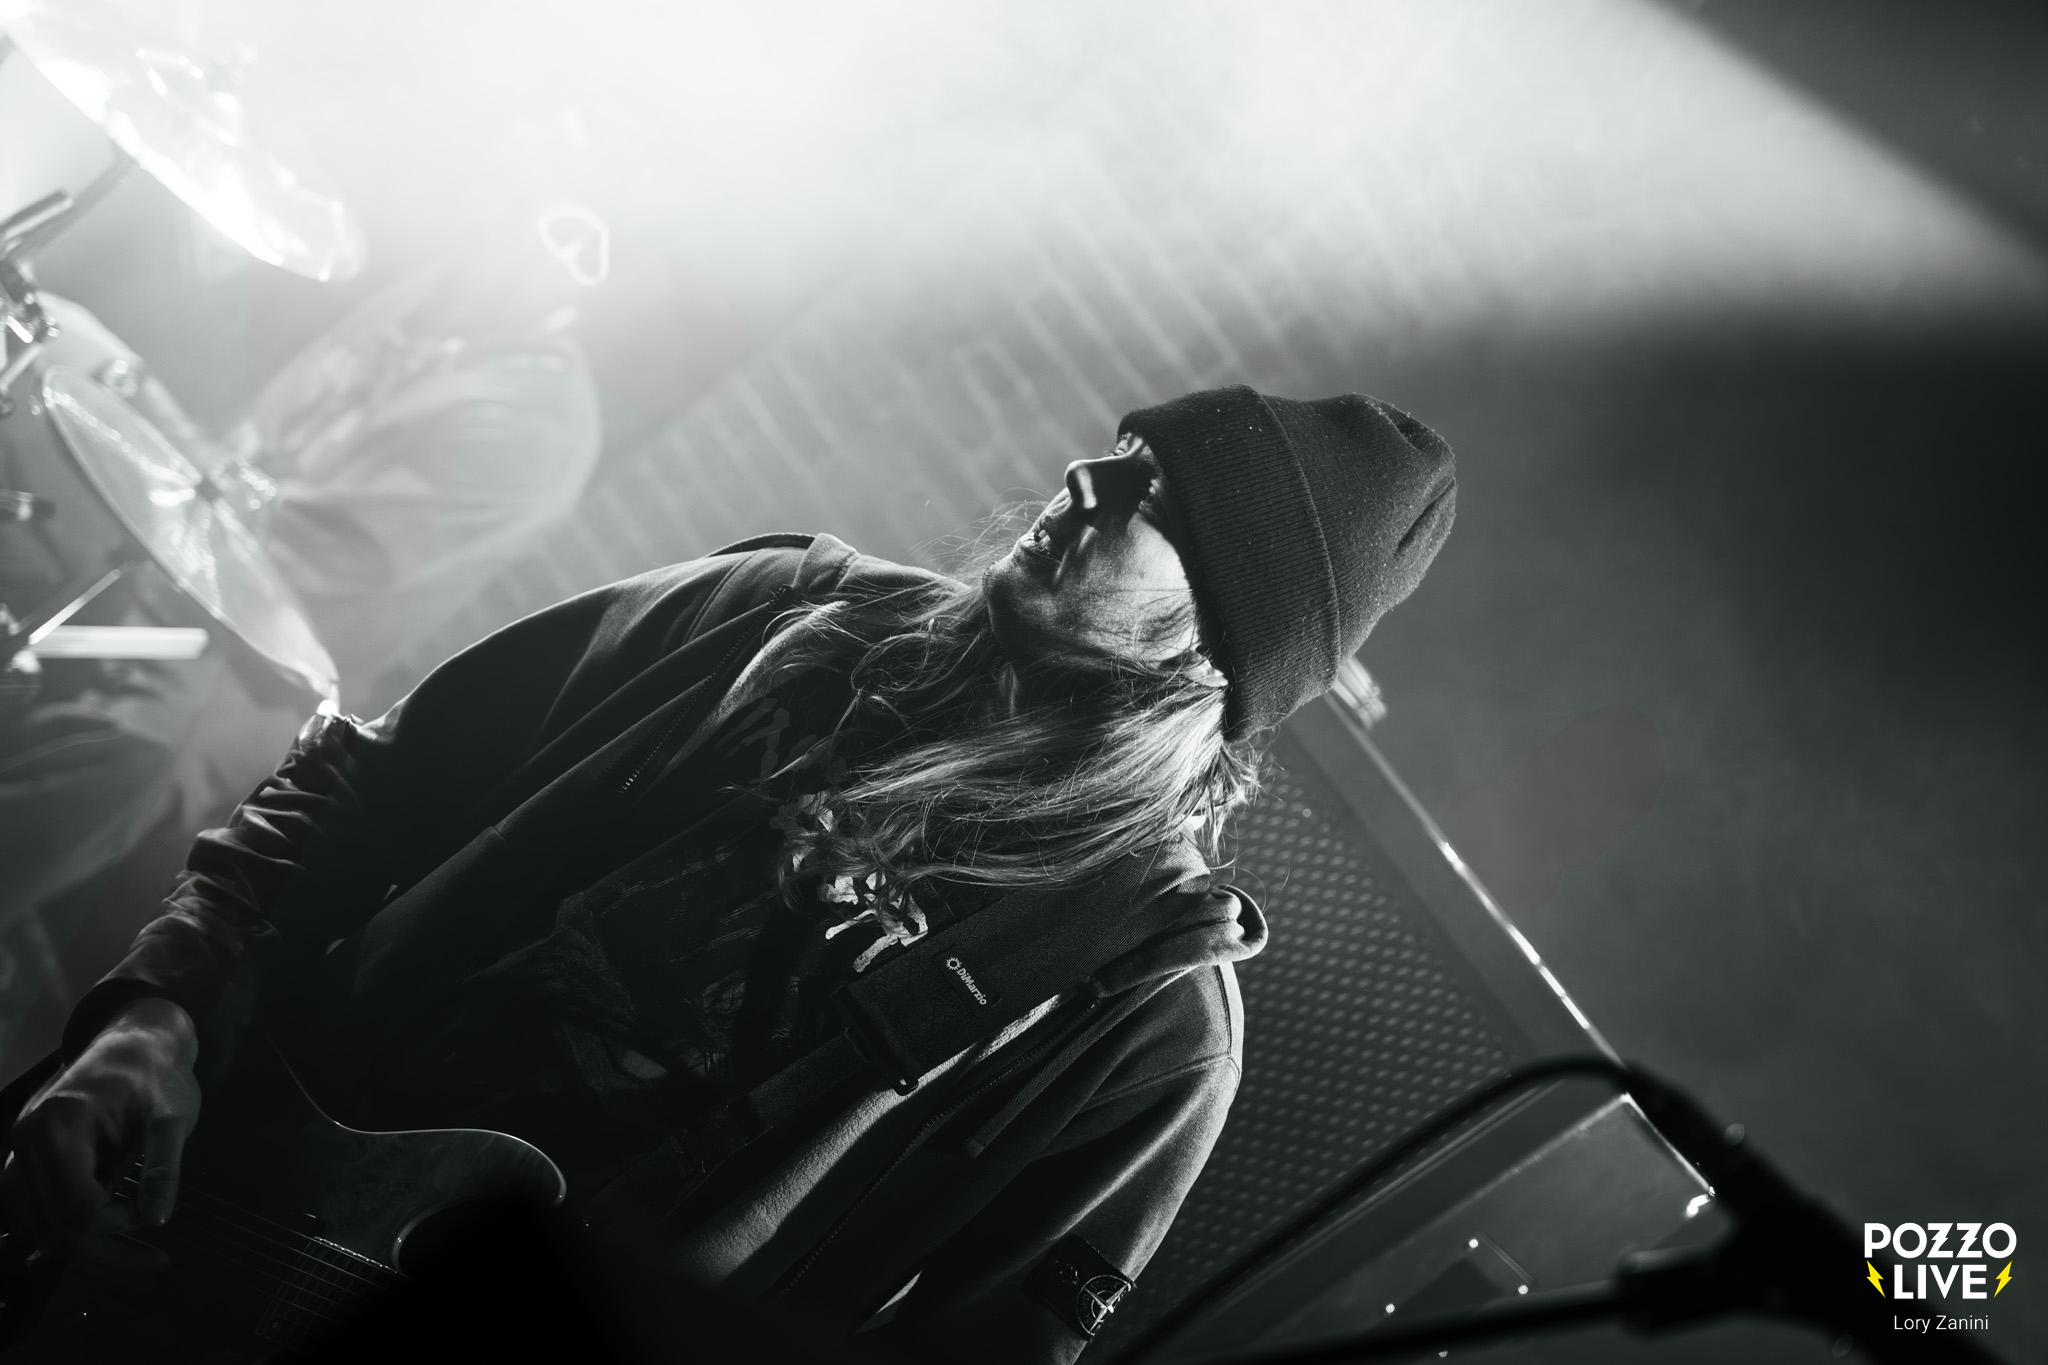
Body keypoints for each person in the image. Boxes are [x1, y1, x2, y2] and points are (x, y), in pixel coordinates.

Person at [0, 385, 1457, 1363]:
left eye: (1160, 501)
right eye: (1124, 451)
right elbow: (365, 781)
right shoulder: (775, 613)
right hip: (157, 1193)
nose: (1093, 479)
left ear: (1228, 644)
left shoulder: (1146, 1021)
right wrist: (154, 1014)